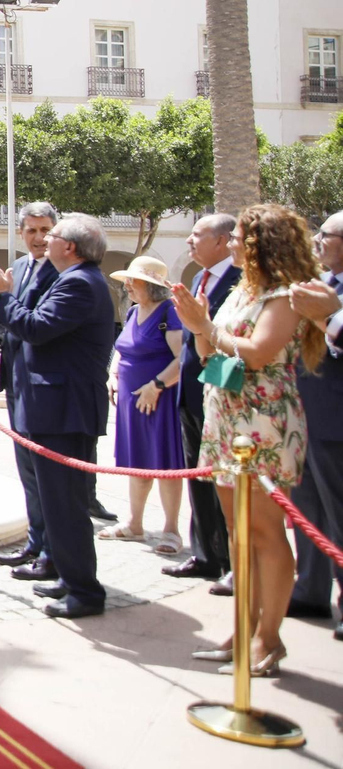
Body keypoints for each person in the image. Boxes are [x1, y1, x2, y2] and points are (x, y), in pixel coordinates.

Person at [171, 204, 325, 677]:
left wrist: (209, 329)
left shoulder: (285, 296)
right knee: (237, 532)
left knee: (264, 531)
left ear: (261, 242)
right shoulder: (242, 290)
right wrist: (199, 325)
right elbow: (207, 351)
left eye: (238, 236)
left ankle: (269, 639)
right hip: (225, 416)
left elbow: (258, 355)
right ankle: (242, 629)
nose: (231, 242)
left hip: (267, 423)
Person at [0, 213, 115, 620]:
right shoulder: (71, 279)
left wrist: (0, 297)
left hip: (64, 412)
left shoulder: (80, 284)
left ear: (72, 247)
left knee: (66, 505)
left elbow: (36, 327)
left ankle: (85, 591)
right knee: (57, 504)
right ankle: (69, 576)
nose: (46, 241)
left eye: (55, 235)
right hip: (50, 409)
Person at [163, 213, 238, 586]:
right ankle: (205, 554)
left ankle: (231, 562)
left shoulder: (240, 279)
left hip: (222, 390)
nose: (189, 241)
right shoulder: (197, 277)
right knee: (198, 477)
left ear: (223, 241)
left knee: (224, 482)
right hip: (190, 394)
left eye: (197, 235)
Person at [0, 203, 62, 580]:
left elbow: (38, 324)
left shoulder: (63, 271)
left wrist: (2, 302)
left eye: (45, 230)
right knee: (27, 471)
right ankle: (34, 543)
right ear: (21, 232)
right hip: (16, 378)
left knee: (49, 476)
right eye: (32, 230)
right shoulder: (16, 269)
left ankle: (53, 551)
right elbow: (7, 322)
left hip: (45, 384)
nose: (38, 238)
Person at [99, 256, 186, 554]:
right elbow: (121, 349)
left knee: (165, 464)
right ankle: (135, 524)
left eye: (133, 281)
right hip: (131, 402)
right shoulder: (134, 311)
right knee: (137, 462)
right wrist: (113, 375)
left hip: (159, 401)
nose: (128, 286)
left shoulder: (169, 313)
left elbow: (182, 359)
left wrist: (156, 386)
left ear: (151, 285)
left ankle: (171, 530)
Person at [285, 210, 343, 639]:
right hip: (305, 412)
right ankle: (310, 588)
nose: (318, 239)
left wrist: (330, 315)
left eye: (327, 233)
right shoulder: (320, 284)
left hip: (336, 420)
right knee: (307, 508)